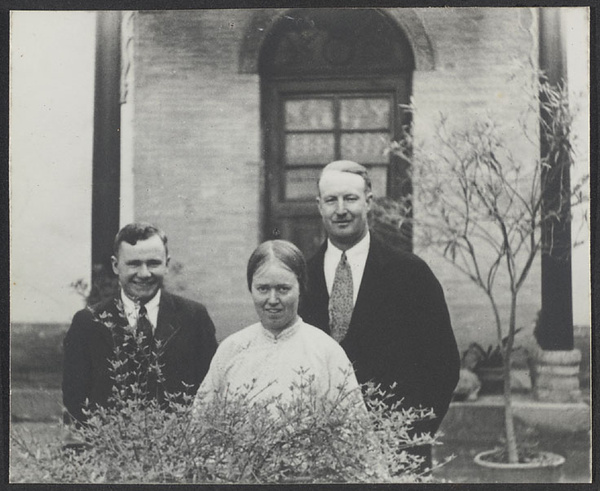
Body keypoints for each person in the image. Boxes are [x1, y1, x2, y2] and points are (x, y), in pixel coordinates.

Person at [298, 160, 460, 469]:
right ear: (319, 206)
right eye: (331, 200)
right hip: (318, 456)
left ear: (369, 201)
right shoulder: (300, 278)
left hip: (397, 451)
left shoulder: (411, 274)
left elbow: (443, 365)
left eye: (350, 198)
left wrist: (410, 435)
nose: (341, 209)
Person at [62, 222, 218, 424]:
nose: (144, 273)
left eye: (153, 263)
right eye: (134, 264)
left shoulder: (194, 318)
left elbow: (209, 390)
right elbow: (75, 400)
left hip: (178, 447)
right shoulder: (88, 323)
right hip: (109, 449)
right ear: (116, 265)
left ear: (167, 264)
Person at [193, 240, 362, 411]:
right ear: (250, 288)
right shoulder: (231, 350)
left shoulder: (327, 352)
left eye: (283, 289)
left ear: (300, 288)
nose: (272, 300)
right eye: (263, 289)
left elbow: (354, 430)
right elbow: (201, 424)